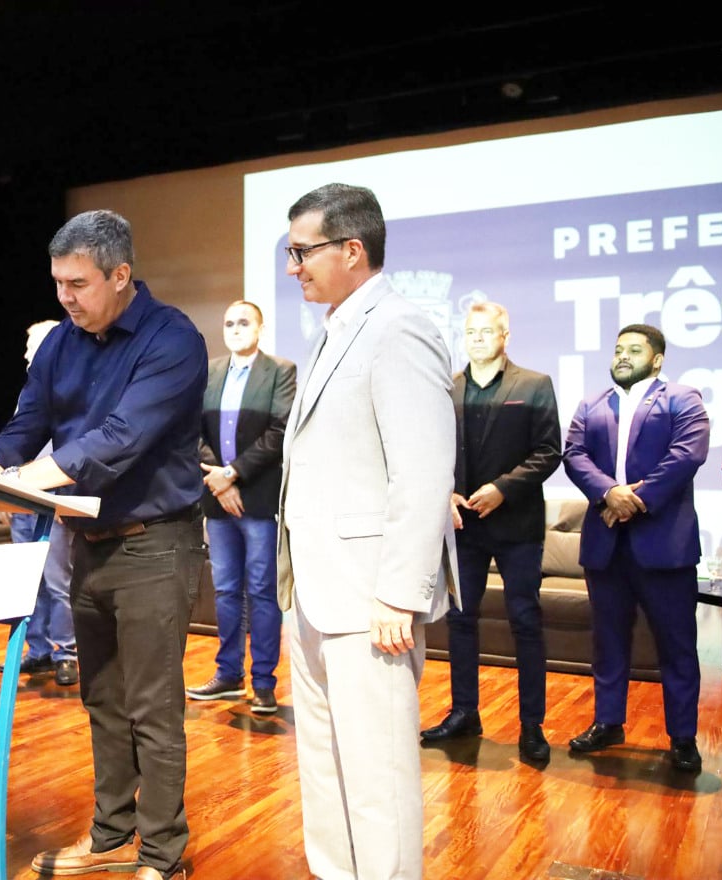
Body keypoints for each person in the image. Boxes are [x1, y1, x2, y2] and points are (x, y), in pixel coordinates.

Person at [0, 210, 207, 880]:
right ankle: (108, 837)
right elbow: (27, 423)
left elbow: (121, 438)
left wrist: (27, 476)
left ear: (121, 274)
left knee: (152, 706)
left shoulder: (173, 339)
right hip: (87, 543)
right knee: (101, 697)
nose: (65, 297)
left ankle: (163, 855)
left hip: (156, 544)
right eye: (58, 283)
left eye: (78, 283)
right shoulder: (61, 344)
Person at [277, 183, 456, 880]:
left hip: (371, 600)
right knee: (324, 769)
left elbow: (422, 472)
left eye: (302, 251)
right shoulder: (333, 332)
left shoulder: (399, 327)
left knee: (378, 781)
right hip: (316, 593)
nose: (293, 266)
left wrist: (399, 595)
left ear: (352, 249)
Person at [563, 324, 710, 772]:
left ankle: (682, 737)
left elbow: (688, 454)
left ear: (658, 359)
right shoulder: (593, 403)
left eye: (635, 349)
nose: (623, 356)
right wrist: (610, 493)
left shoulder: (682, 398)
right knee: (608, 642)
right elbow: (573, 454)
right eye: (618, 349)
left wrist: (635, 499)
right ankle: (608, 722)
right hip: (606, 545)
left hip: (664, 544)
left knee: (676, 646)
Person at [421, 301, 561, 762]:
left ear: (506, 335)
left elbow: (548, 452)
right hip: (462, 525)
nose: (477, 338)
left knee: (525, 622)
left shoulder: (535, 384)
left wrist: (502, 489)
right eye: (471, 331)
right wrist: (445, 493)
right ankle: (465, 713)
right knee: (460, 621)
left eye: (487, 331)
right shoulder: (447, 387)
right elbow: (432, 449)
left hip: (516, 524)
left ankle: (531, 725)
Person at [187, 300, 295, 715]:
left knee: (262, 591)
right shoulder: (210, 372)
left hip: (258, 499)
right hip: (217, 501)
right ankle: (228, 675)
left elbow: (280, 430)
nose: (235, 328)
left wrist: (232, 474)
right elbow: (191, 430)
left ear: (260, 328)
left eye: (243, 322)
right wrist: (217, 479)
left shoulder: (280, 371)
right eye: (229, 322)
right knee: (227, 590)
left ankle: (264, 682)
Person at [0, 319, 80, 687]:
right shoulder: (30, 389)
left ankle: (66, 652)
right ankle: (39, 650)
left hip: (54, 500)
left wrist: (64, 499)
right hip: (22, 502)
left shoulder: (71, 387)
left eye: (32, 344)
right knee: (27, 581)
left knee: (58, 581)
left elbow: (72, 451)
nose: (26, 352)